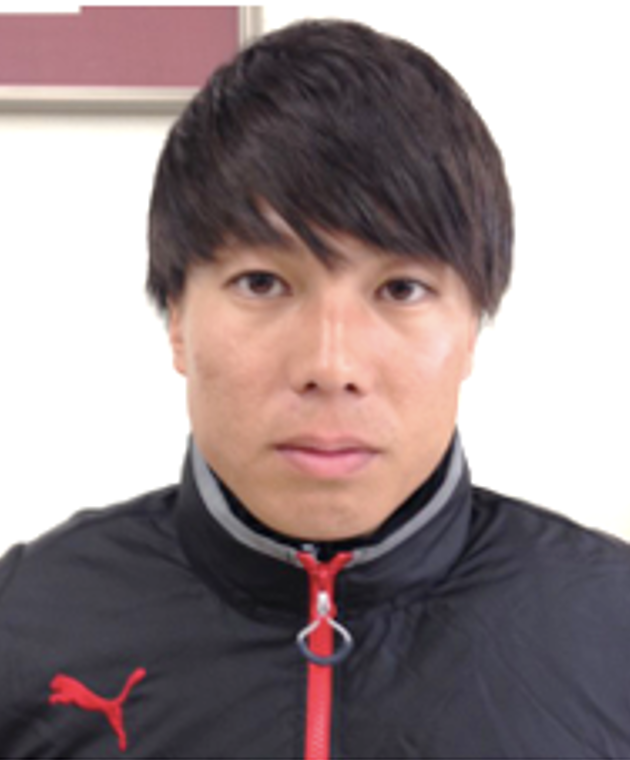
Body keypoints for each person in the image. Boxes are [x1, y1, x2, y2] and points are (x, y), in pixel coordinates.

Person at [1, 18, 630, 759]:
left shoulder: (612, 628)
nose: (331, 365)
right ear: (177, 320)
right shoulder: (23, 625)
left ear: (471, 330)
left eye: (401, 288)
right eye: (262, 283)